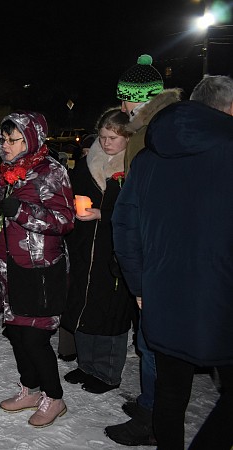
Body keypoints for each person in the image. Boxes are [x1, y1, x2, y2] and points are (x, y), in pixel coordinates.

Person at [111, 75, 233, 449]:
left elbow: (124, 224)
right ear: (227, 109)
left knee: (169, 394)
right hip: (222, 297)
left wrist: (140, 286)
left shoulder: (149, 157)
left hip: (163, 295)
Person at [105, 54, 182, 446]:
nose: (122, 107)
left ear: (146, 98)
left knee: (153, 339)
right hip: (155, 251)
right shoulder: (151, 128)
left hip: (158, 255)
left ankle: (156, 416)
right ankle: (153, 402)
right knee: (149, 337)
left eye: (127, 99)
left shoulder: (155, 132)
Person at [0, 111, 74, 427]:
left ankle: (55, 396)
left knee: (35, 339)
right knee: (17, 333)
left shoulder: (51, 173)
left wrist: (23, 211)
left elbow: (65, 220)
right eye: (3, 139)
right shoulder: (7, 173)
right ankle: (31, 389)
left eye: (13, 139)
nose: (5, 145)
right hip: (10, 267)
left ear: (32, 139)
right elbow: (0, 217)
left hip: (39, 268)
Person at [61, 108, 135, 395]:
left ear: (128, 138)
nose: (106, 143)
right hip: (84, 245)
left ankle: (107, 373)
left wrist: (102, 214)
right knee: (84, 305)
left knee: (110, 311)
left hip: (114, 250)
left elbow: (136, 212)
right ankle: (87, 364)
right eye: (103, 137)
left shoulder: (133, 166)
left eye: (114, 138)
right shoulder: (88, 162)